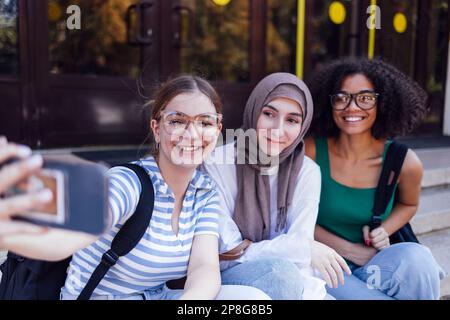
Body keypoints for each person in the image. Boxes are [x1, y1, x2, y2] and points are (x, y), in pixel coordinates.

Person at [0, 75, 270, 300]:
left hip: (158, 297)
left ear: (218, 129)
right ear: (157, 128)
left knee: (252, 302)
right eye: (177, 121)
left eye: (205, 122)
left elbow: (204, 267)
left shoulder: (205, 191)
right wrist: (9, 234)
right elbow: (67, 239)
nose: (192, 134)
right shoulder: (128, 182)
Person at [304, 57, 444, 300]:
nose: (352, 107)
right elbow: (290, 217)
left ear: (384, 104)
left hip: (375, 264)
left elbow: (409, 204)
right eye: (341, 97)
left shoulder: (404, 162)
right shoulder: (310, 152)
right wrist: (349, 250)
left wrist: (385, 229)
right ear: (330, 103)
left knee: (420, 259)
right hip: (324, 265)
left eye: (366, 98)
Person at [203, 72, 351, 300]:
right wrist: (300, 250)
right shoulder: (216, 163)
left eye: (292, 120)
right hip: (226, 277)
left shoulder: (307, 171)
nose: (278, 129)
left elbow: (301, 248)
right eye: (269, 114)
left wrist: (302, 253)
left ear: (303, 126)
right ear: (254, 111)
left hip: (288, 279)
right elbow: (229, 252)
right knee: (280, 275)